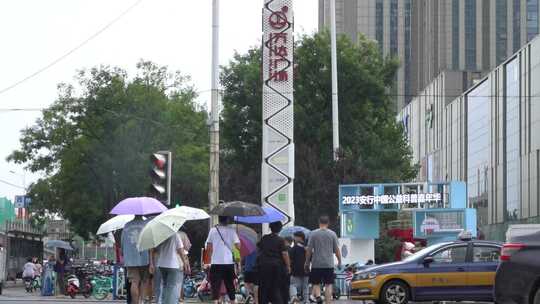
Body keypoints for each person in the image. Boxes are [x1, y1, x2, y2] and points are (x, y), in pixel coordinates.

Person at [305, 216, 342, 304]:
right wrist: (340, 261)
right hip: (329, 264)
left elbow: (309, 250)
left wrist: (306, 262)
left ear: (319, 222)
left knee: (316, 283)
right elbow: (337, 250)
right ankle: (328, 302)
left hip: (316, 264)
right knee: (328, 284)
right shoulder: (332, 234)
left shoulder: (313, 234)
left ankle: (318, 297)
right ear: (328, 223)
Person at [205, 216, 240, 304]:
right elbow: (237, 247)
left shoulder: (213, 230)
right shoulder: (232, 231)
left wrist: (207, 261)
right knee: (230, 286)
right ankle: (232, 302)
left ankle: (216, 302)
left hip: (216, 263)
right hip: (229, 263)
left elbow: (208, 247)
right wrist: (238, 261)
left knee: (215, 287)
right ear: (227, 219)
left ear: (219, 219)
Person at [149, 232, 190, 304]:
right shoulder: (175, 235)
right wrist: (185, 262)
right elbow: (180, 250)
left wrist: (151, 263)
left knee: (165, 286)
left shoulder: (159, 235)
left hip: (161, 264)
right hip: (173, 265)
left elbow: (153, 249)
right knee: (173, 288)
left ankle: (164, 302)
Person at [257, 221, 291, 304]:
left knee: (263, 286)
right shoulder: (280, 240)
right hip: (276, 266)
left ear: (270, 228)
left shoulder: (264, 238)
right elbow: (284, 253)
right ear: (280, 229)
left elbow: (259, 247)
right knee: (275, 287)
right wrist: (288, 266)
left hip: (263, 265)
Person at [121, 215, 150, 304]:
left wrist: (125, 254)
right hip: (145, 257)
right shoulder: (147, 225)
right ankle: (142, 301)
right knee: (144, 281)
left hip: (130, 258)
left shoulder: (127, 225)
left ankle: (135, 302)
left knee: (134, 282)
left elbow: (122, 243)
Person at [289, 231, 309, 303]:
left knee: (293, 285)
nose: (293, 238)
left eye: (295, 236)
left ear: (299, 237)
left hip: (295, 269)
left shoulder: (294, 248)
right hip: (306, 269)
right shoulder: (308, 247)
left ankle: (294, 297)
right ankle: (306, 300)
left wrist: (289, 267)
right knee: (305, 286)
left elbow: (290, 259)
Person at [177, 229, 191, 304]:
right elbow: (187, 248)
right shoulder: (182, 234)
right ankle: (180, 298)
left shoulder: (166, 234)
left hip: (167, 262)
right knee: (180, 281)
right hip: (180, 260)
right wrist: (187, 264)